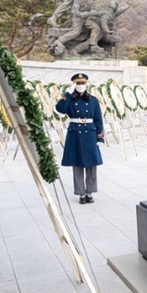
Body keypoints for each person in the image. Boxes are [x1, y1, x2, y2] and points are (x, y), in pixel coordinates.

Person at [55, 73, 105, 204]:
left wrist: (100, 137)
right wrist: (68, 93)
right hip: (75, 133)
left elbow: (98, 119)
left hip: (90, 133)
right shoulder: (69, 99)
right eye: (78, 83)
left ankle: (90, 192)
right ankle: (81, 193)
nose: (80, 86)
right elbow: (60, 109)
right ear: (74, 85)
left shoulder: (93, 100)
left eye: (82, 83)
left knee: (92, 165)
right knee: (77, 165)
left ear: (86, 84)